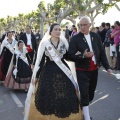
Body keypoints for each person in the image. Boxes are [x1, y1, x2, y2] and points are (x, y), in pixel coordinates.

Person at [24, 23, 82, 120]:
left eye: (59, 29)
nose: (58, 31)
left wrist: (78, 55)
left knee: (65, 94)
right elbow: (41, 61)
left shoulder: (64, 43)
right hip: (48, 71)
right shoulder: (45, 43)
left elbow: (67, 57)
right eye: (56, 29)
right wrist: (36, 76)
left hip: (63, 71)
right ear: (50, 31)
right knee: (48, 94)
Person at [68, 16, 111, 120]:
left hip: (94, 70)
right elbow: (70, 55)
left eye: (84, 25)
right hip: (81, 70)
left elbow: (101, 53)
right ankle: (87, 117)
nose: (82, 27)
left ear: (90, 25)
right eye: (80, 25)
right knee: (85, 94)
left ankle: (82, 110)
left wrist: (107, 67)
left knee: (91, 93)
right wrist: (83, 55)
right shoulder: (75, 38)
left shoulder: (95, 36)